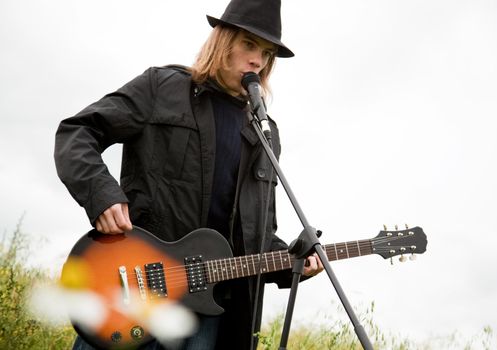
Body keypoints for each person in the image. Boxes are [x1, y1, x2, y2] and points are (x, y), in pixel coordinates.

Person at [54, 0, 323, 349]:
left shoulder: (264, 134)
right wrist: (101, 195)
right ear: (222, 40)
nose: (259, 60)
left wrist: (294, 262)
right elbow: (77, 132)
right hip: (128, 288)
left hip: (203, 315)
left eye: (268, 53)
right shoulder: (160, 88)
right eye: (249, 44)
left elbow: (255, 238)